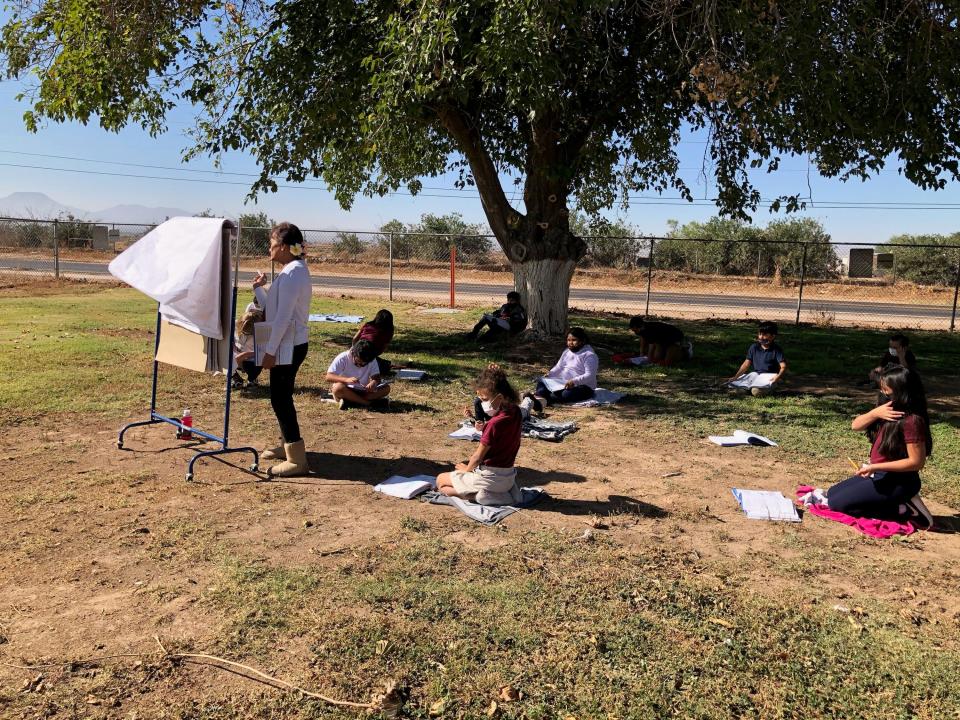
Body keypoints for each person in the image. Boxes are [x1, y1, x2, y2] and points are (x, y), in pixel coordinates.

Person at [242, 222, 312, 477]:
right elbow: (272, 308)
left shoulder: (293, 273)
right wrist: (258, 288)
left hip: (288, 346)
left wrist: (269, 352)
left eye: (272, 243)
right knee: (280, 397)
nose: (269, 248)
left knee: (280, 398)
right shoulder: (290, 271)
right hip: (286, 344)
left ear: (283, 246)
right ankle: (288, 446)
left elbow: (282, 318)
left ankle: (297, 459)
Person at [825, 366, 934, 528]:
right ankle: (897, 502)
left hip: (899, 481)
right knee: (832, 494)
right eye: (882, 391)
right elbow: (855, 425)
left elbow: (916, 462)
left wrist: (875, 466)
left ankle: (905, 509)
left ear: (901, 391)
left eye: (887, 392)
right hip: (880, 475)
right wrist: (875, 413)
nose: (883, 394)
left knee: (837, 504)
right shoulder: (887, 409)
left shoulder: (912, 421)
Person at [437, 364, 523, 505]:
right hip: (508, 477)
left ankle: (480, 496)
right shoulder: (516, 412)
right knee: (455, 479)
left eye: (484, 399)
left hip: (489, 479)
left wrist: (467, 470)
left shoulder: (494, 423)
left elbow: (477, 457)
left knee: (441, 481)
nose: (482, 403)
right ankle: (508, 492)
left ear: (499, 397)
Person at [532, 327, 599, 406]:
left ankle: (542, 398)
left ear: (582, 341)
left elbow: (590, 375)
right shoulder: (567, 351)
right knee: (542, 382)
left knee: (566, 394)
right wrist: (550, 374)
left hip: (583, 387)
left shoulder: (589, 355)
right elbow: (559, 366)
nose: (570, 343)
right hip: (563, 383)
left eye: (574, 340)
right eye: (568, 340)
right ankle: (541, 397)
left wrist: (574, 381)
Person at [325, 339, 391, 410]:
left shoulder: (372, 359)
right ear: (353, 353)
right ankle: (367, 403)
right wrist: (346, 380)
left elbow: (376, 377)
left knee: (386, 388)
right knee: (337, 388)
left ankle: (351, 402)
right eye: (358, 362)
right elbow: (329, 376)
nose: (360, 365)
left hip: (363, 391)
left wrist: (373, 383)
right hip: (346, 389)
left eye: (364, 364)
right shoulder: (343, 357)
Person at [728, 320, 787, 396]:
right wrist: (736, 377)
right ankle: (749, 389)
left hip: (769, 377)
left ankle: (773, 388)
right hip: (755, 376)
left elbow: (783, 366)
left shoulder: (776, 350)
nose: (761, 337)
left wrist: (777, 377)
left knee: (756, 392)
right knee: (739, 389)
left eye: (765, 334)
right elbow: (746, 364)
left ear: (773, 336)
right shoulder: (754, 347)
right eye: (759, 334)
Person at [232, 301, 265, 389]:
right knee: (226, 358)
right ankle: (236, 378)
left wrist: (247, 354)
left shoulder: (263, 332)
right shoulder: (234, 325)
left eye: (250, 333)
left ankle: (252, 378)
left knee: (254, 365)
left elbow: (265, 351)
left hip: (252, 361)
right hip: (238, 357)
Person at [352, 309, 394, 375]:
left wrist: (354, 349)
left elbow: (354, 338)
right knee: (384, 368)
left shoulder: (367, 324)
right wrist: (373, 356)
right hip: (370, 354)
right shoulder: (388, 331)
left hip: (358, 349)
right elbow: (383, 348)